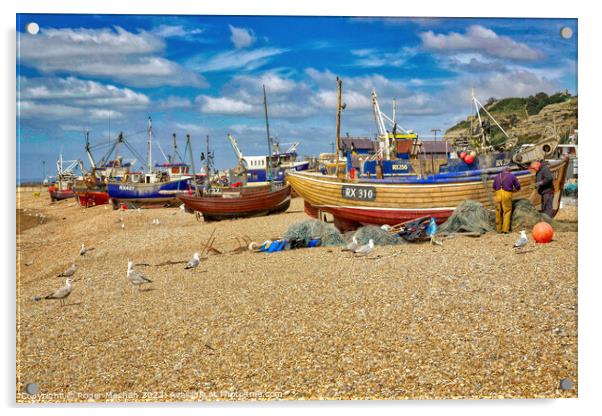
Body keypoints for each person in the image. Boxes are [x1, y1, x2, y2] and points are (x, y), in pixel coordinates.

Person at [492, 166, 521, 233]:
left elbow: (493, 187)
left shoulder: (497, 176)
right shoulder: (512, 176)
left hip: (498, 194)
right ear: (509, 171)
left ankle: (498, 229)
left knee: (498, 211)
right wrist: (515, 190)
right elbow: (518, 187)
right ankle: (505, 229)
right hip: (507, 194)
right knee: (507, 211)